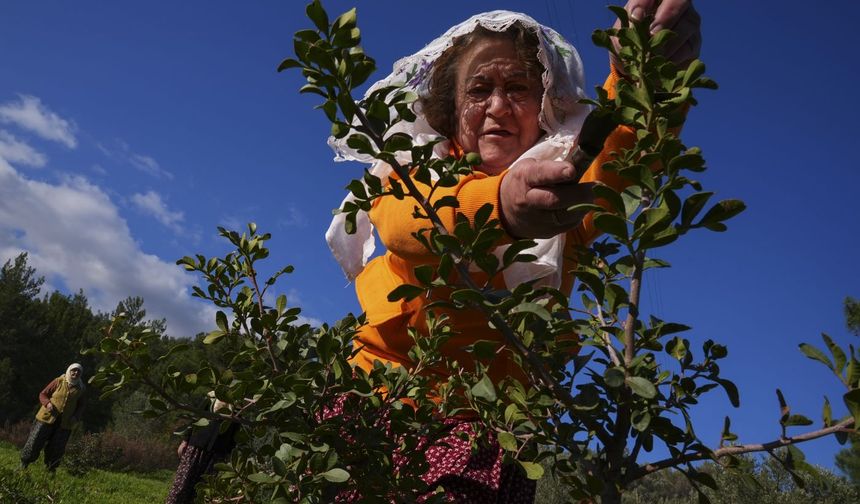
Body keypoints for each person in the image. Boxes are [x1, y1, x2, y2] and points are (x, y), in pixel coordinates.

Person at [325, 1, 701, 501]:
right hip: (377, 397)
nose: (499, 107)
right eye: (479, 89)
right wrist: (498, 204)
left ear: (546, 105)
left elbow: (626, 142)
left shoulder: (565, 185)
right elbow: (401, 224)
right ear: (449, 110)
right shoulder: (414, 172)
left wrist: (649, 69)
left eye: (518, 89)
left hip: (492, 432)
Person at [165, 395, 239, 504]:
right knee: (181, 487)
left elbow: (235, 431)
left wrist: (228, 453)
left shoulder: (238, 404)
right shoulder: (211, 396)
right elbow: (196, 417)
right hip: (195, 447)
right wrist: (185, 440)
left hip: (217, 454)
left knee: (201, 493)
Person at [19, 363, 86, 471]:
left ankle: (51, 469)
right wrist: (48, 403)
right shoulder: (58, 381)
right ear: (69, 371)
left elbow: (81, 405)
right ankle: (24, 463)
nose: (76, 373)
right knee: (35, 441)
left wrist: (76, 417)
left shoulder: (81, 388)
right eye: (74, 370)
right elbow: (43, 394)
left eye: (78, 371)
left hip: (65, 423)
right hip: (46, 418)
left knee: (57, 447)